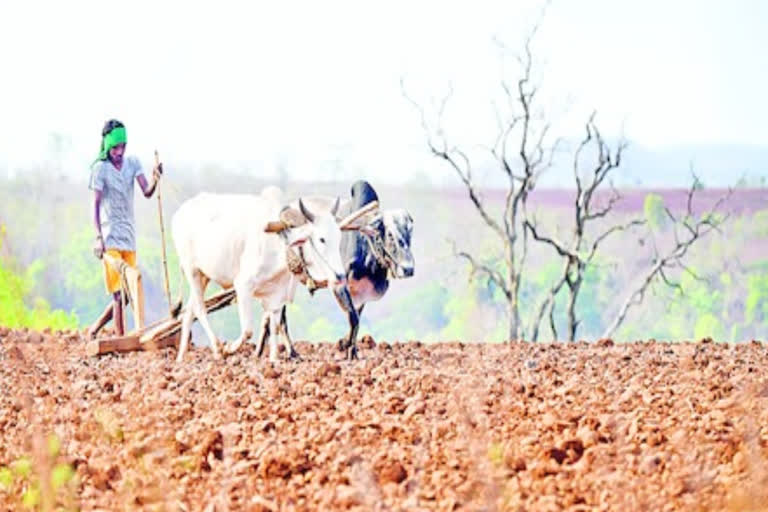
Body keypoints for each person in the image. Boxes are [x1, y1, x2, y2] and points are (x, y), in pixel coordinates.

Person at [87, 119, 162, 337]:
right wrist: (97, 237)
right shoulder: (100, 169)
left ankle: (97, 327)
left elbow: (147, 191)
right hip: (109, 237)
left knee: (129, 293)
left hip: (128, 237)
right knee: (118, 294)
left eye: (122, 147)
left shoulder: (133, 163)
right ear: (107, 146)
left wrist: (155, 178)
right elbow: (95, 205)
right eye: (115, 148)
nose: (119, 152)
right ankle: (121, 339)